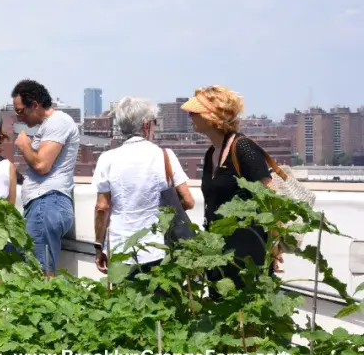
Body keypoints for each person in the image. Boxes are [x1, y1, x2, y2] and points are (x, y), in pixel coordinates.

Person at [181, 86, 276, 291]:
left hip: (248, 255)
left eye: (195, 112)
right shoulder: (210, 154)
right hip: (219, 254)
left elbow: (270, 198)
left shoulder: (244, 148)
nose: (190, 115)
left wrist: (275, 246)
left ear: (212, 116)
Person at [93, 97, 194, 279]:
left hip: (121, 248)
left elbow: (102, 207)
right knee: (161, 304)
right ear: (147, 126)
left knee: (124, 304)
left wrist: (99, 246)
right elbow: (188, 200)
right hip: (159, 248)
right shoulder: (165, 156)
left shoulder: (107, 159)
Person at [11, 79, 80, 275]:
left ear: (34, 104)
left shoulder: (59, 121)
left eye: (20, 111)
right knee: (37, 269)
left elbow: (41, 165)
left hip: (47, 202)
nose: (19, 118)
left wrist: (24, 144)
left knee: (40, 274)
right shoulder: (50, 125)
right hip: (44, 205)